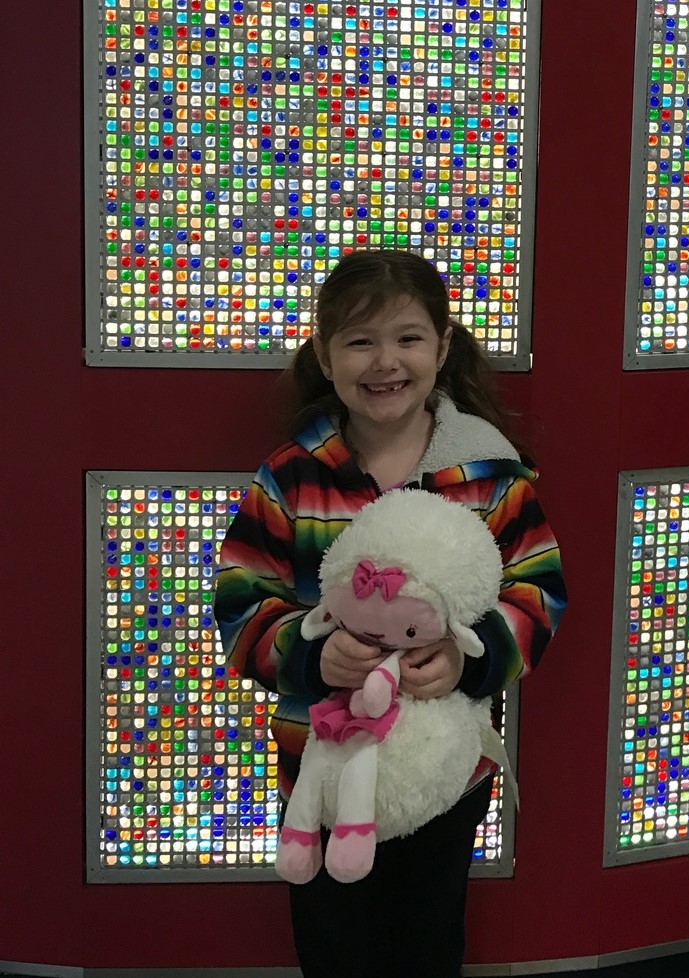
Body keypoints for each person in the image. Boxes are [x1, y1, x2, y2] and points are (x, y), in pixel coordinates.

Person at [214, 249, 566, 976]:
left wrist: (472, 658)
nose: (385, 362)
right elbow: (240, 600)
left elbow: (540, 590)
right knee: (333, 943)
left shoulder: (491, 474)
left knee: (428, 939)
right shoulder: (290, 475)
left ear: (442, 346)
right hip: (321, 761)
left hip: (446, 769)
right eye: (359, 340)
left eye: (407, 338)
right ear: (324, 352)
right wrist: (311, 655)